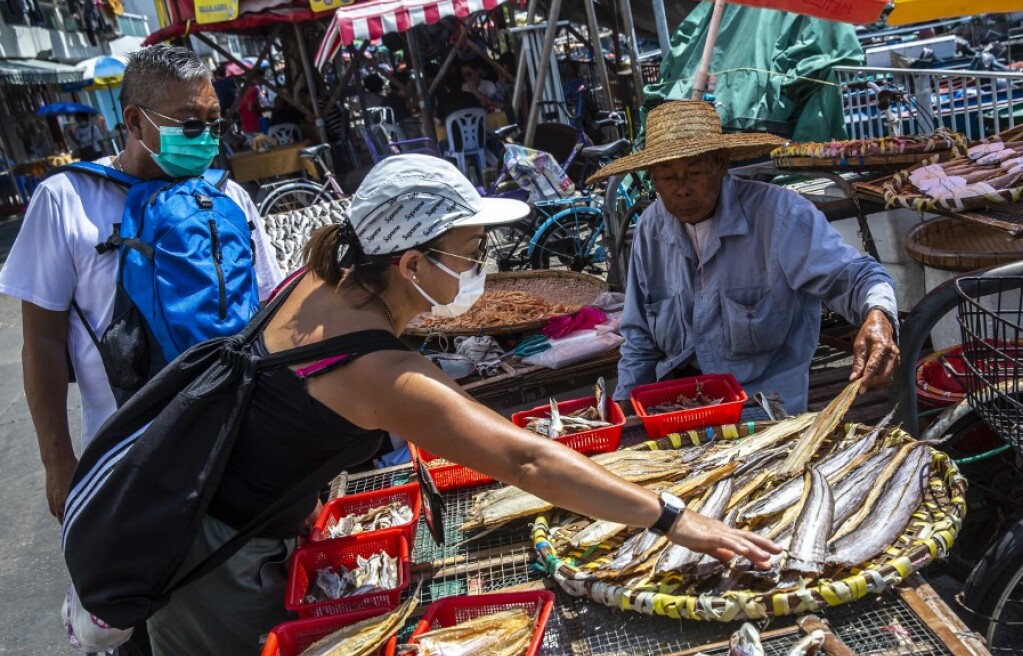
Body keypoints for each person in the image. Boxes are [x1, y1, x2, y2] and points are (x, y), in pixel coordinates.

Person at [144, 154, 781, 654]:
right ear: (412, 263)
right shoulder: (377, 370)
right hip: (217, 566)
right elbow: (526, 462)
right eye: (471, 252)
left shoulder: (321, 282)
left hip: (215, 522)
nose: (481, 265)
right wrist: (675, 521)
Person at [0, 42, 284, 547]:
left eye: (214, 124)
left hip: (239, 441)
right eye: (189, 123)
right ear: (134, 122)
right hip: (130, 459)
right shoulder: (65, 200)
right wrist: (58, 462)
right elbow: (40, 343)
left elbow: (267, 315)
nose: (205, 139)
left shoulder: (229, 196)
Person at [587, 101, 900, 415]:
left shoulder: (781, 216)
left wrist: (878, 316)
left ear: (722, 165)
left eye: (694, 173)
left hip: (761, 409)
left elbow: (857, 277)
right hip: (676, 408)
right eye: (667, 177)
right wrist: (622, 409)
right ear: (652, 178)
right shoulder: (650, 228)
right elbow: (639, 336)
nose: (682, 189)